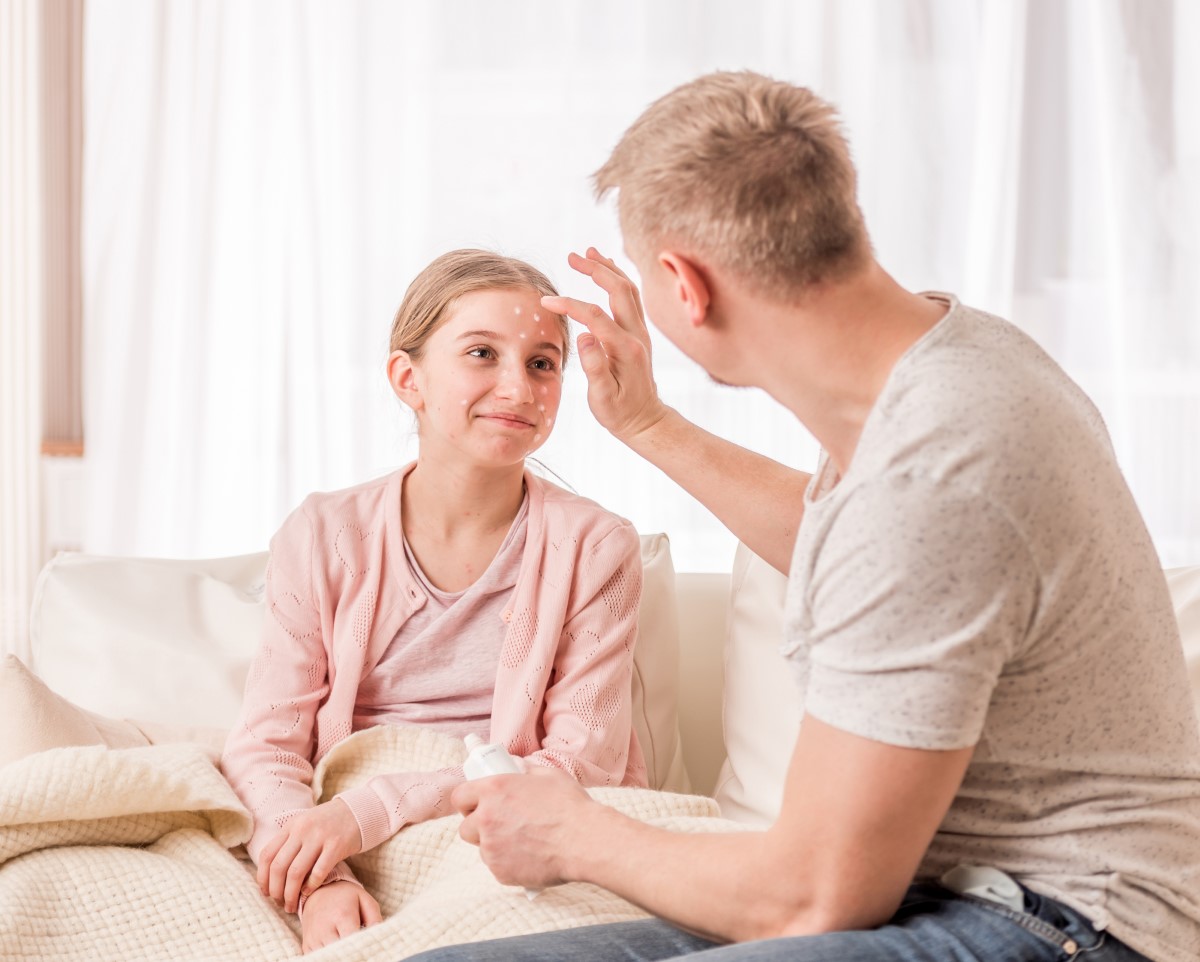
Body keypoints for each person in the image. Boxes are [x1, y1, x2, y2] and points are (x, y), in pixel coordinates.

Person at [416, 72, 1200, 962]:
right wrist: (646, 423)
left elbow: (814, 896)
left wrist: (573, 836)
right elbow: (860, 549)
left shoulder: (938, 473)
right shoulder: (945, 357)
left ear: (683, 284)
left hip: (1067, 923)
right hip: (944, 892)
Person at [221, 249, 648, 954]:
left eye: (543, 363)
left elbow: (581, 765)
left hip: (506, 830)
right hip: (340, 836)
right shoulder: (324, 533)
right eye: (482, 352)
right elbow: (266, 745)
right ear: (406, 378)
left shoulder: (596, 546)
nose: (517, 385)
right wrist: (320, 880)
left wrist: (371, 812)